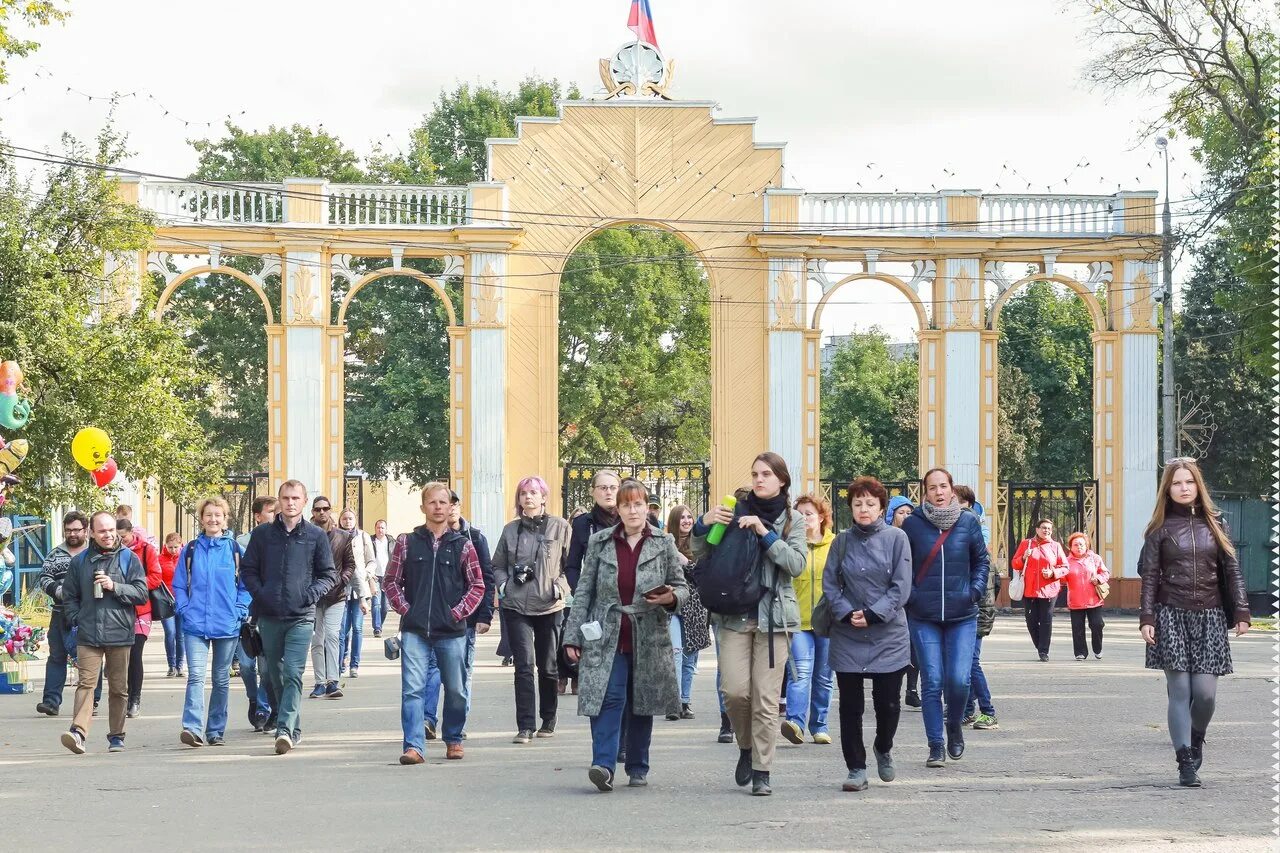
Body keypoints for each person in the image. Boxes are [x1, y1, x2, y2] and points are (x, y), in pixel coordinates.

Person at [563, 478, 688, 791]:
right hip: (607, 633)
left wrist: (670, 598)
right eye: (626, 505)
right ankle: (603, 765)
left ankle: (637, 766)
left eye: (638, 504)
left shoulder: (663, 542)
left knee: (641, 700)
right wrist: (571, 635)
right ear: (617, 509)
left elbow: (683, 586)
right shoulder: (600, 542)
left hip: (649, 633)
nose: (632, 510)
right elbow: (584, 591)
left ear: (647, 508)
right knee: (608, 696)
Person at [693, 452, 806, 796]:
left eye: (767, 474)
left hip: (774, 620)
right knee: (736, 692)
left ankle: (762, 770)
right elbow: (700, 552)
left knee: (766, 699)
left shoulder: (793, 519)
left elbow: (796, 564)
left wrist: (765, 534)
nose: (759, 479)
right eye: (755, 473)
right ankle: (746, 746)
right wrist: (704, 521)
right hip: (733, 616)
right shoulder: (733, 510)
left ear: (782, 480)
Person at [1139, 458, 1249, 787]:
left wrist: (1242, 610)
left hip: (1211, 616)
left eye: (1189, 482)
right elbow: (1149, 577)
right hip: (1170, 614)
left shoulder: (1217, 524)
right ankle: (1184, 759)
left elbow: (1232, 571)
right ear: (1167, 489)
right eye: (1177, 483)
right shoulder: (1158, 529)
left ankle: (1196, 737)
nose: (1184, 488)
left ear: (1198, 485)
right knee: (1180, 690)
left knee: (1205, 695)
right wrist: (1146, 617)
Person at [386, 483, 487, 764]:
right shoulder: (407, 542)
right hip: (415, 630)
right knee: (413, 689)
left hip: (452, 631)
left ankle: (453, 737)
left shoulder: (463, 545)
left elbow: (477, 585)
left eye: (443, 502)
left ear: (450, 506)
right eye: (432, 502)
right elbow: (391, 582)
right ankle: (414, 746)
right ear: (423, 508)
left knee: (456, 689)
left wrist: (457, 613)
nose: (438, 507)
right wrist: (407, 609)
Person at [826, 477, 912, 791]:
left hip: (888, 635)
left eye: (870, 504)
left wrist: (874, 613)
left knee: (888, 704)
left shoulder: (897, 538)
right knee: (850, 706)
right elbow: (830, 584)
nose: (864, 509)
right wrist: (847, 612)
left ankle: (883, 746)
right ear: (850, 507)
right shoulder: (841, 541)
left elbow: (901, 586)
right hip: (848, 633)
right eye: (858, 503)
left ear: (881, 508)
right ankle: (856, 768)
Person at [240, 480, 337, 755]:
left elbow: (328, 574)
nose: (290, 502)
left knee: (293, 672)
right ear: (278, 502)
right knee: (274, 674)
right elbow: (248, 571)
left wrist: (311, 594)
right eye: (286, 498)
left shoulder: (316, 536)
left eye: (296, 498)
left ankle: (283, 729)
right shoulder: (262, 535)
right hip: (269, 616)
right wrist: (261, 594)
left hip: (301, 616)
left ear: (304, 501)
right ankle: (293, 727)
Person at [901, 468, 989, 768]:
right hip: (923, 615)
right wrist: (911, 595)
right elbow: (902, 565)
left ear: (952, 489)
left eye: (943, 486)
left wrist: (974, 591)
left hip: (962, 614)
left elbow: (981, 560)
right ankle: (935, 744)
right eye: (932, 488)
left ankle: (953, 725)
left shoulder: (969, 522)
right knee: (932, 680)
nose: (938, 492)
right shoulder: (912, 525)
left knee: (958, 679)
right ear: (924, 492)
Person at [58, 511, 149, 754]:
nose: (108, 535)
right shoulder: (80, 562)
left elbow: (141, 594)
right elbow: (70, 596)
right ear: (91, 533)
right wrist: (77, 619)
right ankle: (78, 732)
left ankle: (117, 736)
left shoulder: (129, 559)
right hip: (88, 633)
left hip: (120, 632)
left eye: (111, 530)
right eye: (102, 531)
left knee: (119, 688)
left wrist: (114, 586)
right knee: (86, 684)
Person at [492, 475, 572, 744]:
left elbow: (571, 566)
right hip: (516, 605)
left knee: (548, 667)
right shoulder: (510, 530)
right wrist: (503, 585)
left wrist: (559, 587)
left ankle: (548, 717)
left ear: (543, 497)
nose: (528, 497)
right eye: (523, 493)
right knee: (523, 666)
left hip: (549, 605)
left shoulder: (560, 527)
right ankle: (525, 725)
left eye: (534, 492)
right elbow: (498, 564)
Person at [173, 497, 251, 747]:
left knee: (220, 679)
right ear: (201, 518)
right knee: (195, 676)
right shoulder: (191, 549)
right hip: (195, 623)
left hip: (226, 624)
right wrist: (184, 607)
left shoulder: (235, 550)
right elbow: (178, 583)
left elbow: (247, 585)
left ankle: (215, 730)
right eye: (208, 515)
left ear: (225, 519)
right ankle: (192, 728)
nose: (213, 519)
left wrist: (240, 608)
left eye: (218, 515)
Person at [423, 492, 495, 739]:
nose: (448, 508)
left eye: (452, 503)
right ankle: (427, 719)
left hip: (466, 618)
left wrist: (485, 614)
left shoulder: (475, 538)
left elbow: (485, 578)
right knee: (432, 668)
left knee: (461, 673)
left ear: (457, 506)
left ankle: (457, 724)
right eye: (442, 502)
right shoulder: (429, 538)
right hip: (435, 617)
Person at [781, 494, 835, 746]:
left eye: (809, 513)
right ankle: (795, 723)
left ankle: (820, 725)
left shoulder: (836, 544)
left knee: (823, 677)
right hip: (797, 620)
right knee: (800, 673)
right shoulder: (790, 545)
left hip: (828, 622)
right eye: (798, 514)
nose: (804, 518)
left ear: (822, 517)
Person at [564, 470, 622, 694]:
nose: (608, 492)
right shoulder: (582, 523)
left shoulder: (631, 519)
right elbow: (572, 565)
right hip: (595, 603)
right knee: (597, 660)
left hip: (625, 600)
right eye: (603, 488)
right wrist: (581, 593)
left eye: (613, 488)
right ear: (593, 492)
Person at [36, 511, 90, 717]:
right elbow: (44, 577)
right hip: (60, 613)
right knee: (57, 656)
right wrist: (58, 591)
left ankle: (92, 700)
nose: (73, 534)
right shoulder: (55, 553)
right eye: (68, 530)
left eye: (77, 530)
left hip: (87, 615)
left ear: (85, 530)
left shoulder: (93, 553)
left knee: (88, 658)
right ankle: (51, 701)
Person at [955, 486, 998, 732]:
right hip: (976, 615)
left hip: (975, 616)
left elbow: (985, 590)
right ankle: (968, 711)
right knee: (967, 663)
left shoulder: (974, 548)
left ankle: (988, 711)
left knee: (971, 663)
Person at [309, 496, 356, 699]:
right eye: (318, 509)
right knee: (317, 639)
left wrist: (342, 580)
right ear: (312, 511)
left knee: (332, 635)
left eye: (325, 508)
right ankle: (320, 682)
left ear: (330, 510)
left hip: (336, 594)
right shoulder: (307, 535)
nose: (321, 512)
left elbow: (350, 564)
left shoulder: (343, 536)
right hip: (313, 595)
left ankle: (333, 681)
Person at [236, 497, 277, 732]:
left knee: (266, 667)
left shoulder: (281, 540)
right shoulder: (241, 543)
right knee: (245, 664)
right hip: (246, 612)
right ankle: (254, 698)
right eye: (270, 511)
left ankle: (263, 706)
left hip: (268, 611)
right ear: (258, 516)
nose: (274, 515)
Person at [666, 504, 709, 721]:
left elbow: (704, 573)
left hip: (696, 606)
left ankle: (685, 701)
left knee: (690, 657)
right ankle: (672, 702)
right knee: (675, 652)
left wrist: (686, 562)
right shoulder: (666, 544)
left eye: (689, 517)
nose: (686, 521)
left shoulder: (700, 543)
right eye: (682, 517)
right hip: (671, 606)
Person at [116, 519, 161, 720]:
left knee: (135, 654)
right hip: (117, 610)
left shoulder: (146, 550)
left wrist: (132, 585)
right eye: (118, 537)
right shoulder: (111, 550)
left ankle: (135, 698)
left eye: (123, 537)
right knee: (120, 657)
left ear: (131, 533)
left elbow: (156, 577)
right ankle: (122, 697)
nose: (120, 541)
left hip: (141, 609)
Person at [1012, 518, 1068, 661]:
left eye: (1049, 528)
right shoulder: (1026, 544)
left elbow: (1065, 567)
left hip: (1049, 590)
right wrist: (1023, 558)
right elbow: (1014, 563)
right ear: (1037, 529)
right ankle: (1039, 645)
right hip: (1029, 590)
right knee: (1031, 620)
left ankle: (1044, 651)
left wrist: (1053, 573)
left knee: (1046, 620)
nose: (1046, 531)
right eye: (1043, 527)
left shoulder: (1055, 546)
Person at [886, 495, 921, 709]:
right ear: (892, 515)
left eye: (909, 513)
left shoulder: (917, 536)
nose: (906, 517)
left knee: (914, 645)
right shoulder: (887, 536)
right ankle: (892, 690)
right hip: (892, 598)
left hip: (914, 596)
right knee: (894, 645)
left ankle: (912, 689)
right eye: (901, 513)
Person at [337, 507, 375, 677]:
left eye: (350, 518)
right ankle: (340, 663)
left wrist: (365, 573)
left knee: (357, 628)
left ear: (355, 520)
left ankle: (354, 664)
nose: (347, 521)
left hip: (360, 588)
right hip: (341, 588)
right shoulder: (335, 535)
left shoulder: (363, 536)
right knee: (342, 629)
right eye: (344, 518)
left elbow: (371, 560)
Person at [1065, 532, 1110, 661]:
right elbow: (1061, 576)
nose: (1079, 547)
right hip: (1076, 599)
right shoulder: (1066, 561)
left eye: (1081, 544)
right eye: (1075, 545)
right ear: (1071, 547)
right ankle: (1080, 652)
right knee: (1077, 627)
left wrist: (1099, 578)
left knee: (1097, 624)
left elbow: (1105, 573)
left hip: (1094, 599)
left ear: (1087, 545)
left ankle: (1098, 647)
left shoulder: (1095, 558)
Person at [159, 532, 186, 678]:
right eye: (170, 547)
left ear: (181, 545)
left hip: (181, 601)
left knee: (180, 635)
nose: (173, 550)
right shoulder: (160, 559)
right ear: (165, 546)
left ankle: (180, 665)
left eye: (176, 547)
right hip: (166, 601)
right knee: (170, 633)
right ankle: (171, 665)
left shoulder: (185, 558)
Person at [370, 519, 392, 637]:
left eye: (382, 527)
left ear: (386, 529)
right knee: (376, 603)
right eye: (378, 527)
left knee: (385, 606)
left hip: (387, 577)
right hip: (375, 576)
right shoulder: (370, 541)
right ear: (375, 529)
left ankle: (380, 624)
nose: (380, 530)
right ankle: (377, 628)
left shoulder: (391, 542)